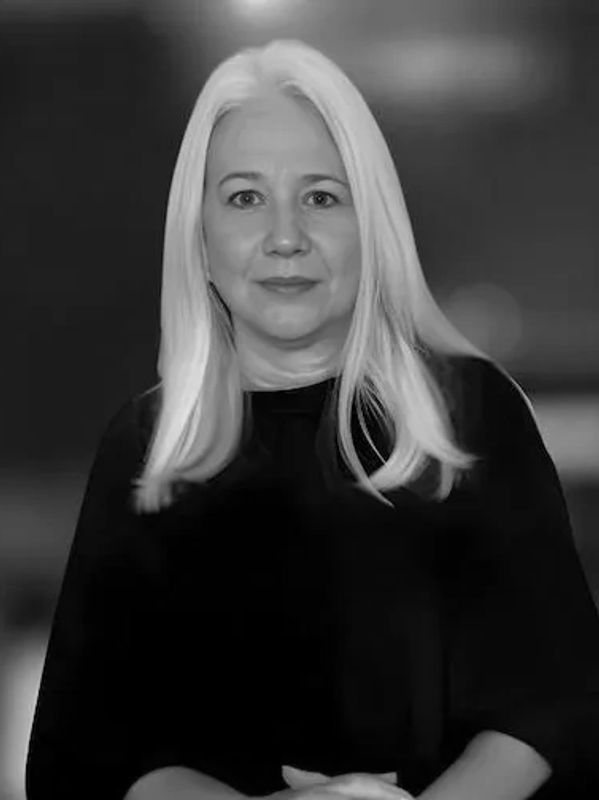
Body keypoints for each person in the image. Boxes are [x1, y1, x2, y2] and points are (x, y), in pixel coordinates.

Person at [25, 39, 599, 800]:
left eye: (322, 198)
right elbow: (85, 761)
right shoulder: (143, 449)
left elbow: (558, 705)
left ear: (373, 227)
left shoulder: (471, 412)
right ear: (197, 237)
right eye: (244, 198)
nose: (285, 237)